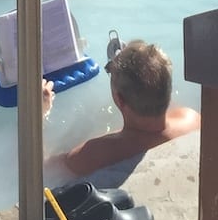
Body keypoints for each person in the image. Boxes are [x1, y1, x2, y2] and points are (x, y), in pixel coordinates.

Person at [40, 41, 200, 177]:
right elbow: (160, 98)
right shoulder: (191, 119)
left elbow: (44, 168)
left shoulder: (93, 154)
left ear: (120, 100)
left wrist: (40, 112)